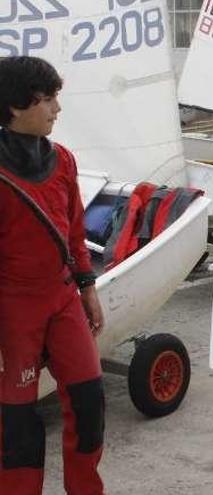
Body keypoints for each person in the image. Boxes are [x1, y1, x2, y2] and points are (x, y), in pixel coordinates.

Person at [0, 56, 105, 494]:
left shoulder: (63, 160)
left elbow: (75, 231)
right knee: (18, 424)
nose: (57, 109)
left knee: (89, 403)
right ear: (15, 108)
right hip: (13, 308)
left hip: (62, 297)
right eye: (48, 99)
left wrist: (87, 287)